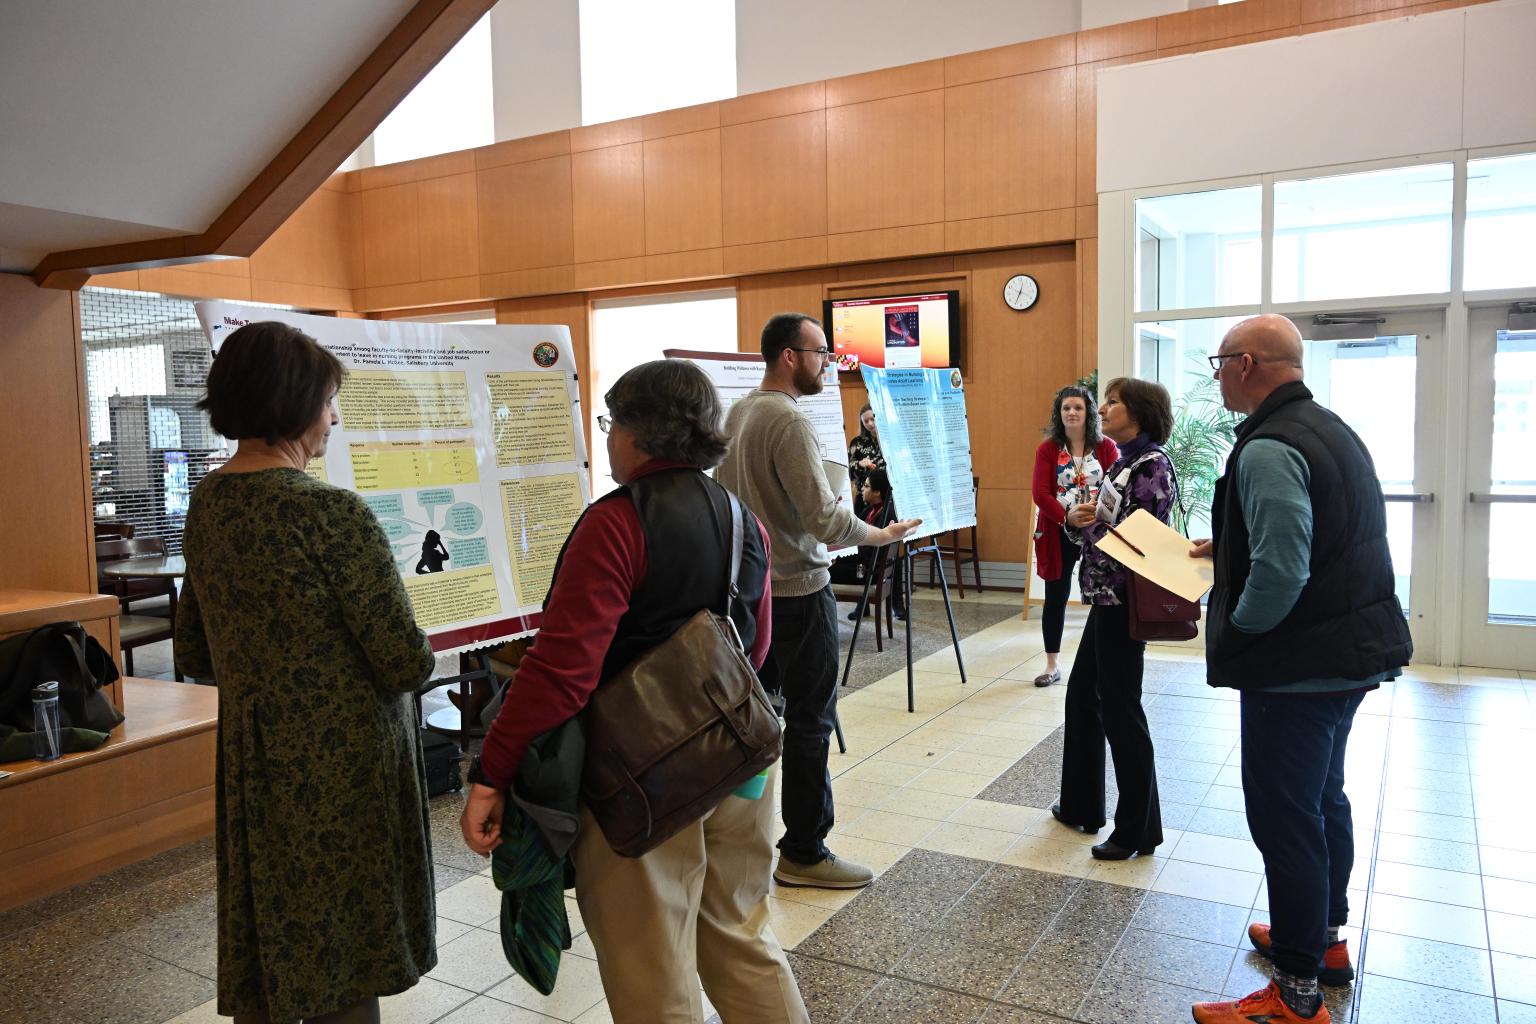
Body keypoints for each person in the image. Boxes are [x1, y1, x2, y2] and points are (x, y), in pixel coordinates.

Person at [458, 359, 808, 1024]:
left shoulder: (615, 525)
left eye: (611, 423)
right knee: (743, 942)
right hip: (740, 769)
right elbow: (754, 653)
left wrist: (491, 771)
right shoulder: (742, 520)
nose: (609, 438)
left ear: (639, 432)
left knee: (656, 975)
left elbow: (563, 673)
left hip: (645, 784)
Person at [174, 322, 437, 1024]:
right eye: (328, 400)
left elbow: (195, 652)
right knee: (346, 950)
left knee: (271, 931)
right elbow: (404, 659)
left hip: (255, 757)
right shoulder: (331, 514)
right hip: (341, 765)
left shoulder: (208, 505)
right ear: (292, 402)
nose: (336, 417)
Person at [1188, 315, 1411, 1024]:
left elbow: (1283, 571)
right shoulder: (1329, 427)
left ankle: (1295, 993)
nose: (1216, 373)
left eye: (1219, 361)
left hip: (1297, 667)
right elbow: (1312, 532)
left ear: (1247, 362)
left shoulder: (1268, 446)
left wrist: (1239, 630)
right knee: (1323, 801)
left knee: (1286, 820)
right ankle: (1322, 942)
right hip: (1346, 655)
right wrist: (1224, 549)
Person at [715, 313, 919, 890]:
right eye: (821, 352)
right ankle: (804, 850)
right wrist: (880, 534)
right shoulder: (788, 422)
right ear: (788, 355)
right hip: (800, 592)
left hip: (752, 595)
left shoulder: (739, 413)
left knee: (759, 716)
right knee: (811, 720)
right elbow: (822, 516)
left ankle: (740, 840)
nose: (829, 362)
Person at [1051, 377, 1175, 862]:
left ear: (1139, 412)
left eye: (1113, 402)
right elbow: (1108, 521)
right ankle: (1083, 805)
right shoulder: (1124, 462)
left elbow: (1140, 538)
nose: (1103, 409)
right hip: (1104, 598)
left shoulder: (1152, 465)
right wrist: (1077, 519)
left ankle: (1136, 831)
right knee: (1085, 698)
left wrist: (1094, 526)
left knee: (1123, 712)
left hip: (1125, 602)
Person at [1030, 385, 1119, 686]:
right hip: (1059, 530)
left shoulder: (1106, 446)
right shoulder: (1048, 449)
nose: (1071, 413)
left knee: (1102, 595)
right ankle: (1051, 665)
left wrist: (1095, 513)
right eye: (1066, 408)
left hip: (1099, 530)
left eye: (1077, 408)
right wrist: (1066, 516)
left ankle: (1100, 663)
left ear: (1088, 413)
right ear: (1059, 413)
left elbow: (1115, 486)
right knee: (1056, 596)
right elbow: (1040, 493)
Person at [831, 468, 907, 622]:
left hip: (870, 572)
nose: (862, 489)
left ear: (877, 492)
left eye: (866, 486)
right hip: (867, 566)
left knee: (824, 572)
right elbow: (851, 528)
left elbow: (870, 555)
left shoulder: (888, 514)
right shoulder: (870, 511)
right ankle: (862, 606)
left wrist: (839, 557)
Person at [847, 404, 884, 519]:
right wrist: (859, 464)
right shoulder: (857, 442)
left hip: (887, 497)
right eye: (865, 421)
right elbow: (848, 471)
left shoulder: (891, 439)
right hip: (864, 498)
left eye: (872, 419)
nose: (870, 424)